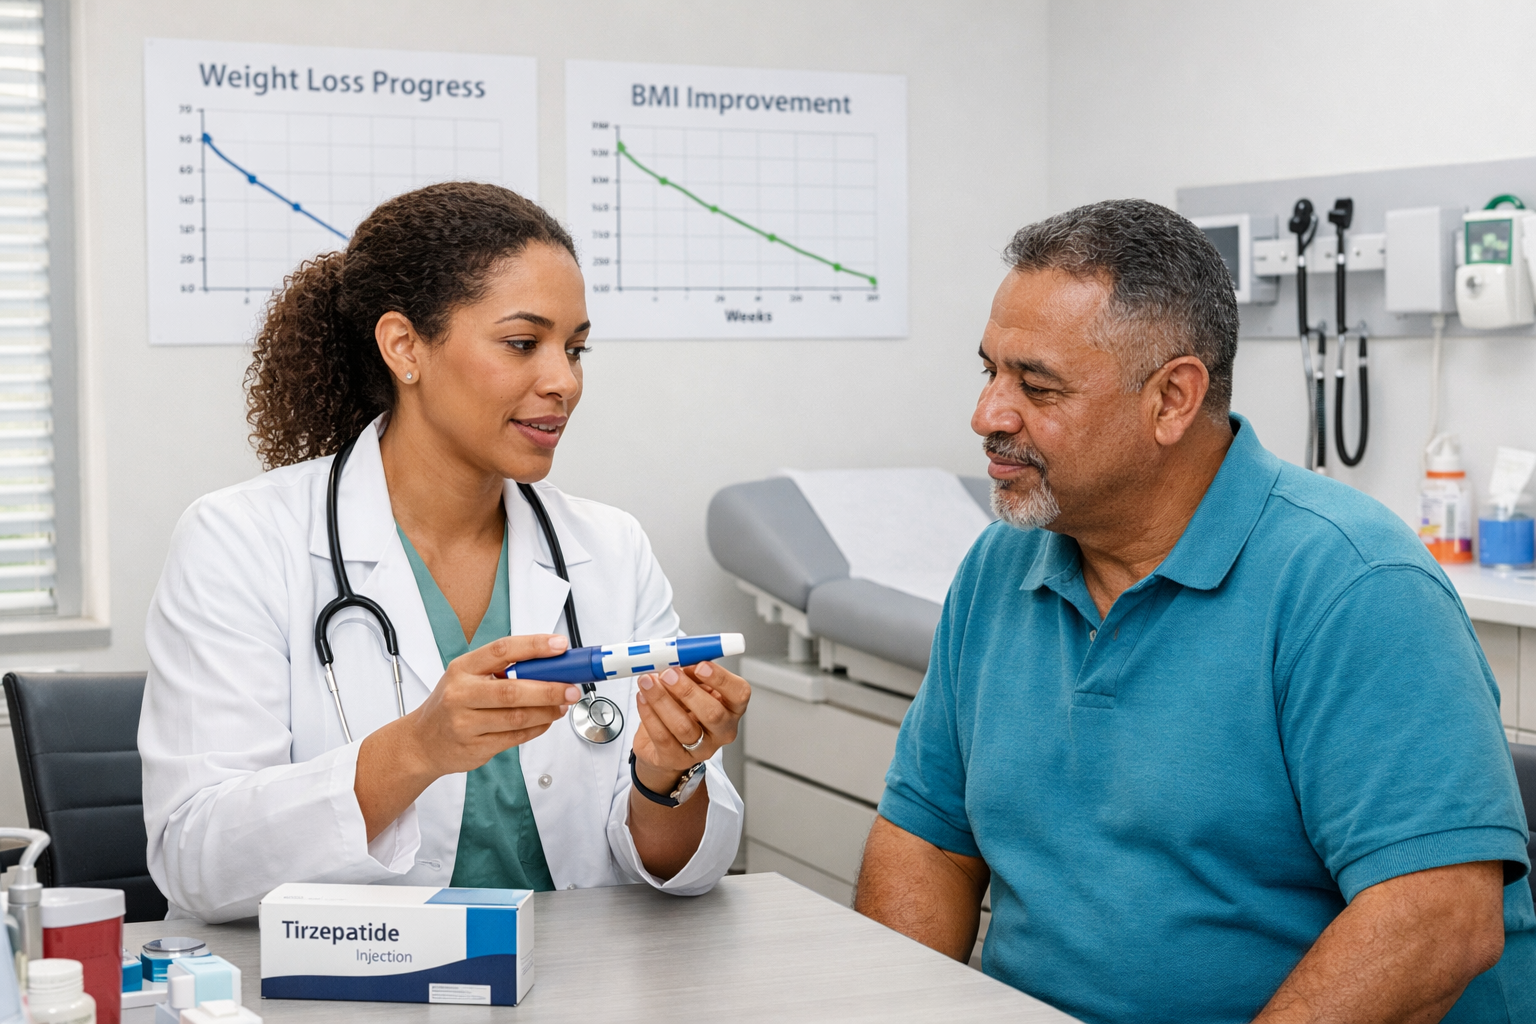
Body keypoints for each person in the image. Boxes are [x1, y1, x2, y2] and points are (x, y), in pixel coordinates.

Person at [854, 199, 1534, 1024]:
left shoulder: (1355, 585)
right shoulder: (1003, 563)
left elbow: (1439, 924)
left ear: (1173, 399)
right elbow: (928, 836)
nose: (988, 415)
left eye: (1036, 385)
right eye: (989, 371)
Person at [139, 182, 749, 922]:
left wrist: (666, 771)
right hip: (341, 992)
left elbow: (679, 868)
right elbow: (197, 859)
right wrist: (417, 749)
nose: (564, 381)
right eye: (524, 343)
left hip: (570, 983)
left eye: (576, 348)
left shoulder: (608, 548)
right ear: (405, 347)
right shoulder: (240, 540)